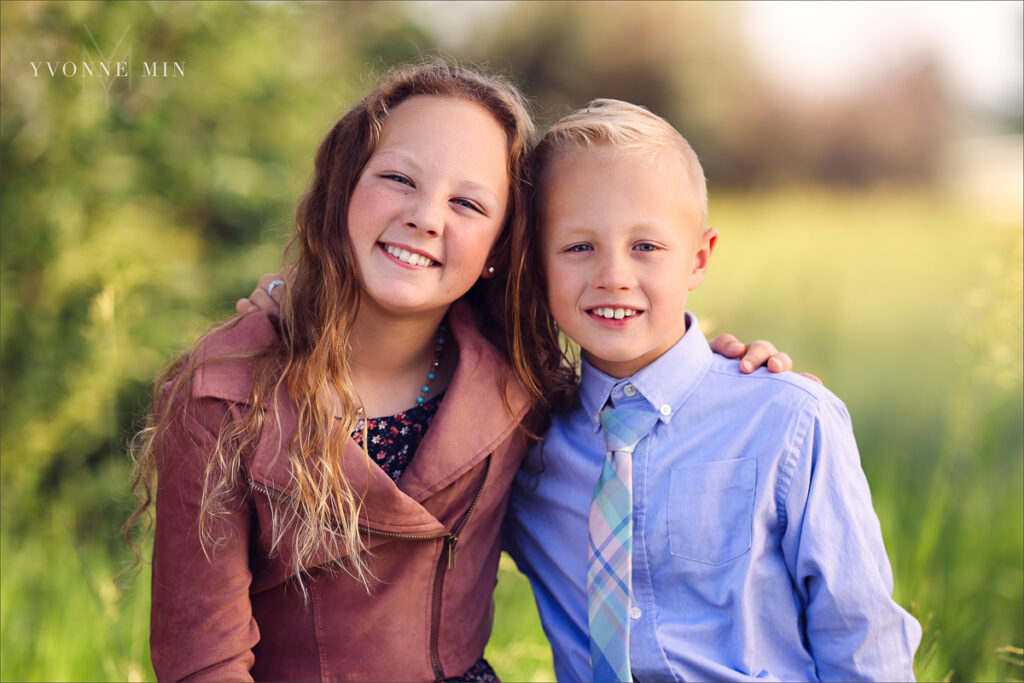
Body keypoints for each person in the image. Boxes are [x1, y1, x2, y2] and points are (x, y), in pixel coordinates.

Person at [128, 61, 794, 682]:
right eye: (399, 179)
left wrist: (723, 378)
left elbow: (635, 416)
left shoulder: (519, 387)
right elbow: (202, 658)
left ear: (502, 247)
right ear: (344, 187)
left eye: (468, 204)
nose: (425, 216)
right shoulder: (225, 392)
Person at [501, 99, 922, 682]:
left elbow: (861, 635)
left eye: (646, 246)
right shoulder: (525, 450)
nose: (614, 274)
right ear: (537, 264)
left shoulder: (789, 420)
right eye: (579, 247)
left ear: (698, 258)